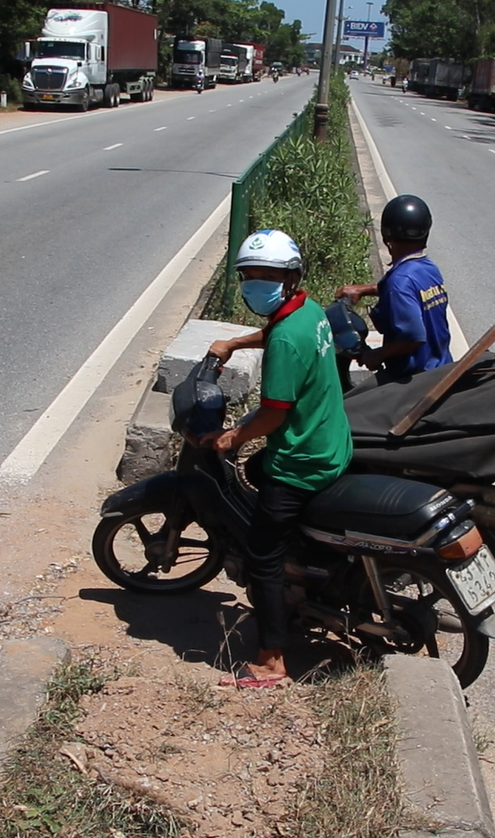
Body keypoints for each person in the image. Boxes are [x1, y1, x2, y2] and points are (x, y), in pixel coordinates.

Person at [204, 230, 352, 688]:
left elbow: (272, 415)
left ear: (291, 279)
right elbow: (275, 332)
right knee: (255, 471)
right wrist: (234, 344)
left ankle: (271, 662)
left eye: (268, 276)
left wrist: (231, 437)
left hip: (302, 461)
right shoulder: (309, 311)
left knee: (261, 555)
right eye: (250, 275)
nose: (256, 284)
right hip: (332, 442)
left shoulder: (286, 339)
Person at [336, 194, 453, 380]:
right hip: (443, 368)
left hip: (415, 380)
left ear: (386, 237)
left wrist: (377, 355)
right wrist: (363, 290)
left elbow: (413, 337)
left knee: (357, 399)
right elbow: (407, 292)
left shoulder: (399, 282)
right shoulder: (428, 269)